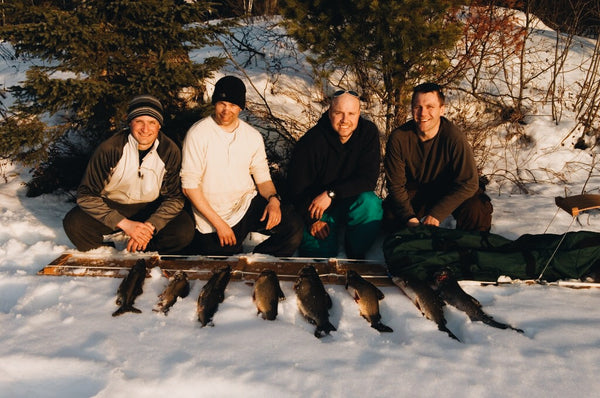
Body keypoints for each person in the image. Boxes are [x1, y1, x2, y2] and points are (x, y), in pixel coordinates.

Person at [180, 75, 303, 256]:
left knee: (292, 227)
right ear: (215, 103)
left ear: (240, 107)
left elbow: (262, 178)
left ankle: (260, 262)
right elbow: (189, 187)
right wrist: (219, 224)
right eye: (222, 103)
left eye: (232, 105)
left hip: (245, 204)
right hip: (213, 215)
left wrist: (273, 200)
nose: (226, 110)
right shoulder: (198, 134)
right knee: (223, 257)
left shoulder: (251, 136)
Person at [63, 94, 194, 254]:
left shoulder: (169, 150)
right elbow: (86, 195)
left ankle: (146, 249)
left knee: (184, 230)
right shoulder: (111, 149)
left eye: (152, 122)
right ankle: (106, 254)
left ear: (159, 125)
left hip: (151, 207)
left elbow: (174, 198)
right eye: (139, 121)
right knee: (74, 223)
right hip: (114, 205)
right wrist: (124, 223)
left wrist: (151, 226)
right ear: (130, 122)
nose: (146, 129)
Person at [383, 82, 492, 233]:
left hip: (450, 189)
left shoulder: (454, 138)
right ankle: (407, 251)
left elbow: (469, 183)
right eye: (417, 107)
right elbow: (396, 186)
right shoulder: (399, 138)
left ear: (442, 110)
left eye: (430, 107)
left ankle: (469, 250)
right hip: (416, 189)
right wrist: (409, 217)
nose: (423, 113)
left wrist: (436, 214)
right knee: (391, 214)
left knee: (477, 209)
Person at [287, 90, 383, 259]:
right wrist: (312, 221)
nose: (345, 120)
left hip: (349, 200)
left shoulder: (368, 133)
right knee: (317, 260)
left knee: (371, 205)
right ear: (330, 112)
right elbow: (296, 188)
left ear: (359, 114)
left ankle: (355, 252)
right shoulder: (312, 141)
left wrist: (331, 193)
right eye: (339, 113)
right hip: (317, 207)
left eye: (351, 114)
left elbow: (368, 179)